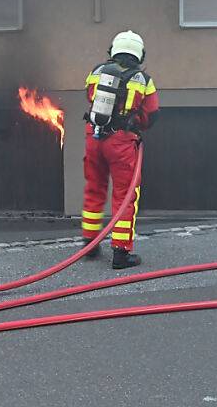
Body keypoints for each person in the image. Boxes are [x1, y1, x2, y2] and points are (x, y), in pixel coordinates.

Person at [81, 30, 159, 269]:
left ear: (113, 50)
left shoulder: (97, 72)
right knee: (124, 195)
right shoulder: (143, 80)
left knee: (94, 188)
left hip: (94, 137)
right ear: (139, 54)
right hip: (121, 142)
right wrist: (135, 123)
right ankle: (121, 253)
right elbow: (151, 113)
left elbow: (89, 96)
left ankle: (90, 244)